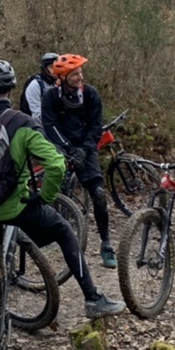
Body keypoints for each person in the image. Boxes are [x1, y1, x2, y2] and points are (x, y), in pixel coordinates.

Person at [0, 59, 125, 318]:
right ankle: (92, 298)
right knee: (65, 231)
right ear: (11, 91)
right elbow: (56, 165)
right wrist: (43, 197)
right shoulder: (22, 124)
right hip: (16, 206)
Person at [39, 53, 117, 268]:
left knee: (99, 194)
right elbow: (51, 126)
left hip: (86, 147)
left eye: (80, 73)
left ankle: (107, 244)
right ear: (63, 77)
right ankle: (50, 233)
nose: (80, 77)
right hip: (61, 147)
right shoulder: (51, 97)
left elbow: (95, 126)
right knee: (53, 189)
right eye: (75, 74)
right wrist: (67, 149)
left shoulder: (90, 95)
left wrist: (84, 149)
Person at [19, 52, 58, 117]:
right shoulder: (35, 85)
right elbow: (36, 114)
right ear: (44, 69)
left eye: (57, 67)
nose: (55, 70)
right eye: (51, 67)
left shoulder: (59, 84)